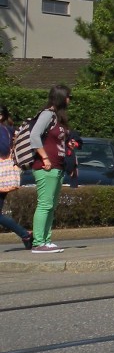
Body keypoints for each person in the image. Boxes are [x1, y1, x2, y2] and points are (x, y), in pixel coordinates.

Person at [28, 84, 71, 254]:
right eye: (68, 96)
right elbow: (34, 135)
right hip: (46, 167)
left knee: (51, 206)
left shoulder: (58, 117)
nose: (69, 100)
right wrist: (45, 158)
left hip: (57, 167)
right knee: (45, 204)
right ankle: (38, 242)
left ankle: (46, 240)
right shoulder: (47, 114)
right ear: (60, 97)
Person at [0, 105, 33, 250]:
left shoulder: (2, 130)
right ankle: (25, 234)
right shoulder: (6, 129)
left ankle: (25, 234)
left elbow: (4, 149)